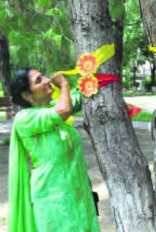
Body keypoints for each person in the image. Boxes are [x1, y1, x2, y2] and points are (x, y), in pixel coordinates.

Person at [8, 67, 100, 231]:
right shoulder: (25, 119)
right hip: (51, 195)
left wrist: (93, 76)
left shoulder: (49, 108)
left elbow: (78, 97)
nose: (46, 81)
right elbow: (64, 110)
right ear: (26, 95)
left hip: (76, 190)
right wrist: (63, 85)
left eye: (43, 76)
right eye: (38, 80)